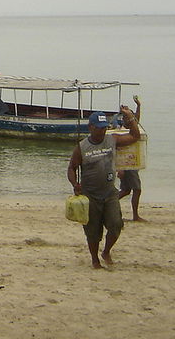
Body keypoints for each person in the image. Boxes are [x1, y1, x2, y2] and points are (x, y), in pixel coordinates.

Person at [68, 104, 141, 268]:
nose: (102, 131)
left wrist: (129, 116)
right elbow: (72, 167)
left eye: (104, 127)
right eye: (99, 128)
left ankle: (106, 251)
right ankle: (95, 260)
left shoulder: (112, 140)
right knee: (92, 232)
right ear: (91, 127)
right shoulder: (82, 147)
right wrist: (75, 184)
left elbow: (135, 136)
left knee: (116, 225)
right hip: (90, 195)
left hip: (109, 193)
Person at [118, 95, 146, 222]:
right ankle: (135, 215)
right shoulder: (123, 131)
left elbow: (136, 119)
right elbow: (119, 151)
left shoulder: (133, 128)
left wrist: (138, 106)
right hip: (128, 165)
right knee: (137, 189)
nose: (132, 120)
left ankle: (107, 205)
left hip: (132, 164)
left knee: (125, 190)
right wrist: (120, 169)